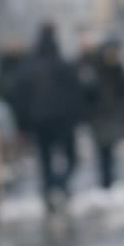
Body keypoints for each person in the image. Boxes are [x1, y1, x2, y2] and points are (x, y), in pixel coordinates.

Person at [16, 22, 84, 212]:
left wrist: (23, 124)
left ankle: (50, 189)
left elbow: (20, 97)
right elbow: (75, 92)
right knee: (70, 159)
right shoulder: (62, 63)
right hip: (62, 122)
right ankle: (59, 184)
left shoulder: (29, 67)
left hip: (40, 122)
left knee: (45, 160)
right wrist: (76, 117)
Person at [80, 39, 124, 190]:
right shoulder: (95, 69)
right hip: (100, 116)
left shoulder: (116, 69)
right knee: (102, 150)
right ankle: (106, 181)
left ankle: (109, 181)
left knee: (110, 149)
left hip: (111, 116)